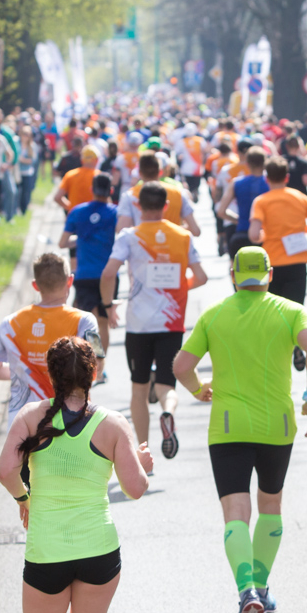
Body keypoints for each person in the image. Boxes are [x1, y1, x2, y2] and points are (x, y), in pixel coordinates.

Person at [0, 336, 150, 613]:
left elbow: (6, 470)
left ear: (51, 375)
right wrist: (142, 462)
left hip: (46, 550)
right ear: (94, 373)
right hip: (98, 550)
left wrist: (24, 496)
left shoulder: (32, 417)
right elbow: (136, 489)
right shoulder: (112, 423)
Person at [172, 249, 307, 613]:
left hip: (227, 427)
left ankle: (246, 591)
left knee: (235, 514)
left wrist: (198, 389)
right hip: (277, 424)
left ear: (232, 275)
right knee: (270, 505)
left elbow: (180, 366)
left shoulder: (215, 315)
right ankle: (261, 585)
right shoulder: (290, 311)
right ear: (270, 275)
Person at [104, 182, 207, 460]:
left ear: (138, 206)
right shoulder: (183, 236)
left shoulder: (129, 236)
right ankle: (167, 412)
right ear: (166, 206)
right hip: (172, 323)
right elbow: (201, 277)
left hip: (138, 325)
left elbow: (108, 273)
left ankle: (143, 451)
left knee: (139, 389)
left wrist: (108, 306)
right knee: (166, 385)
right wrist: (177, 287)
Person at [0, 250, 102, 427]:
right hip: (70, 419)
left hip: (22, 420)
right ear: (70, 281)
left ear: (35, 285)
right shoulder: (86, 321)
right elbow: (97, 362)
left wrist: (22, 371)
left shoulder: (10, 324)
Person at [248, 154, 307, 370]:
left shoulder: (262, 201)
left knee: (271, 311)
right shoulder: (300, 198)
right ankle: (296, 346)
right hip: (297, 263)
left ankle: (275, 355)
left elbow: (253, 234)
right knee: (294, 310)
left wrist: (267, 234)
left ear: (267, 178)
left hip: (272, 264)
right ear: (287, 177)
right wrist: (301, 229)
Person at [59, 174, 119, 383]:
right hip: (108, 275)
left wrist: (83, 239)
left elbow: (63, 243)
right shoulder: (115, 213)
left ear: (92, 190)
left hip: (84, 274)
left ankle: (95, 364)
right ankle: (100, 368)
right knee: (102, 321)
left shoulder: (78, 211)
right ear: (110, 191)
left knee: (90, 323)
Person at [217, 146, 270, 257]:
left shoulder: (236, 183)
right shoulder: (270, 183)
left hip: (241, 234)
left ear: (247, 163)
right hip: (265, 234)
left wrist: (238, 220)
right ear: (265, 163)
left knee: (237, 270)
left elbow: (221, 211)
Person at [52, 146, 100, 212]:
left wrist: (71, 208)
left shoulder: (70, 175)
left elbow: (57, 197)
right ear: (97, 160)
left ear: (82, 160)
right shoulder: (99, 177)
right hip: (93, 217)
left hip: (74, 217)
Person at [15, 126, 40, 215]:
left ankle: (23, 210)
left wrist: (22, 160)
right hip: (17, 172)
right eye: (24, 134)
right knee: (17, 192)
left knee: (26, 193)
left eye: (27, 135)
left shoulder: (32, 146)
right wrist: (24, 160)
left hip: (27, 172)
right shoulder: (16, 143)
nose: (25, 136)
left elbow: (33, 160)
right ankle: (16, 209)